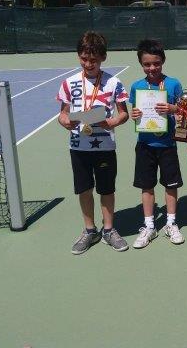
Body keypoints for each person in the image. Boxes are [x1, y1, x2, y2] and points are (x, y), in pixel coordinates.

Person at [57, 31, 130, 255]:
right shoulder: (69, 83)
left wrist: (112, 122)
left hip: (105, 146)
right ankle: (90, 230)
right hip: (78, 147)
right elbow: (63, 113)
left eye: (94, 60)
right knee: (84, 189)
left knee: (106, 189)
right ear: (79, 56)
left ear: (103, 58)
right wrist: (65, 121)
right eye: (84, 59)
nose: (88, 64)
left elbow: (123, 114)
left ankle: (108, 230)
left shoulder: (113, 83)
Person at [129, 39, 185, 249]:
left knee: (171, 185)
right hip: (145, 144)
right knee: (147, 186)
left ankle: (171, 223)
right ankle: (149, 225)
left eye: (156, 63)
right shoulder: (137, 86)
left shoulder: (173, 84)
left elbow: (183, 112)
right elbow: (136, 113)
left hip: (168, 144)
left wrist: (173, 109)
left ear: (163, 61)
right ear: (141, 64)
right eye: (147, 64)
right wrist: (135, 115)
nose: (152, 68)